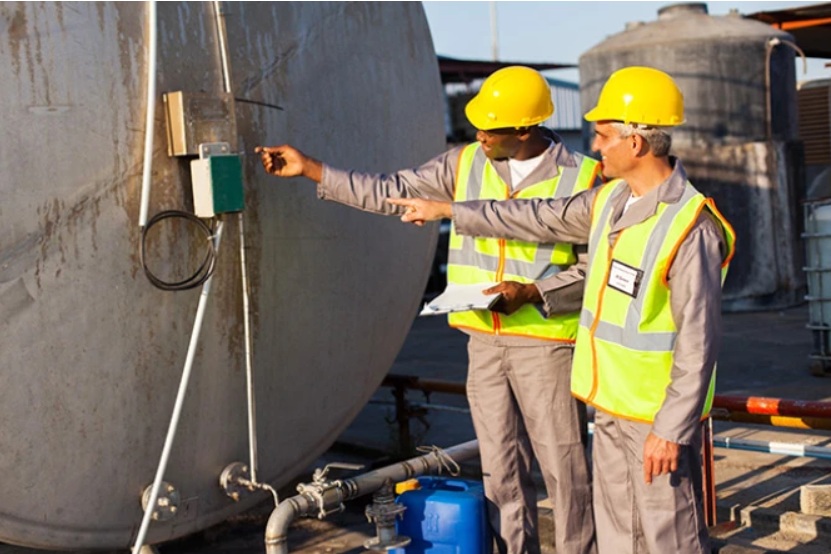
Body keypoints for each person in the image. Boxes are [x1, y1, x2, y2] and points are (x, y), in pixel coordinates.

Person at [389, 66, 737, 554]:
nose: (596, 146)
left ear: (636, 143)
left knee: (667, 536)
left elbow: (699, 341)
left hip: (655, 419)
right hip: (609, 405)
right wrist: (449, 210)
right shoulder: (611, 200)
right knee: (617, 533)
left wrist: (672, 429)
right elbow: (532, 215)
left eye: (604, 135)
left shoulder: (690, 225)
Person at [257, 66, 598, 554]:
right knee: (500, 471)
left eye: (490, 128)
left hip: (545, 346)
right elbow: (389, 190)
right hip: (482, 339)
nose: (478, 134)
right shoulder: (463, 164)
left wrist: (535, 293)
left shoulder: (583, 176)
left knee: (566, 473)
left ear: (524, 130)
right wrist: (311, 168)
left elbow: (593, 269)